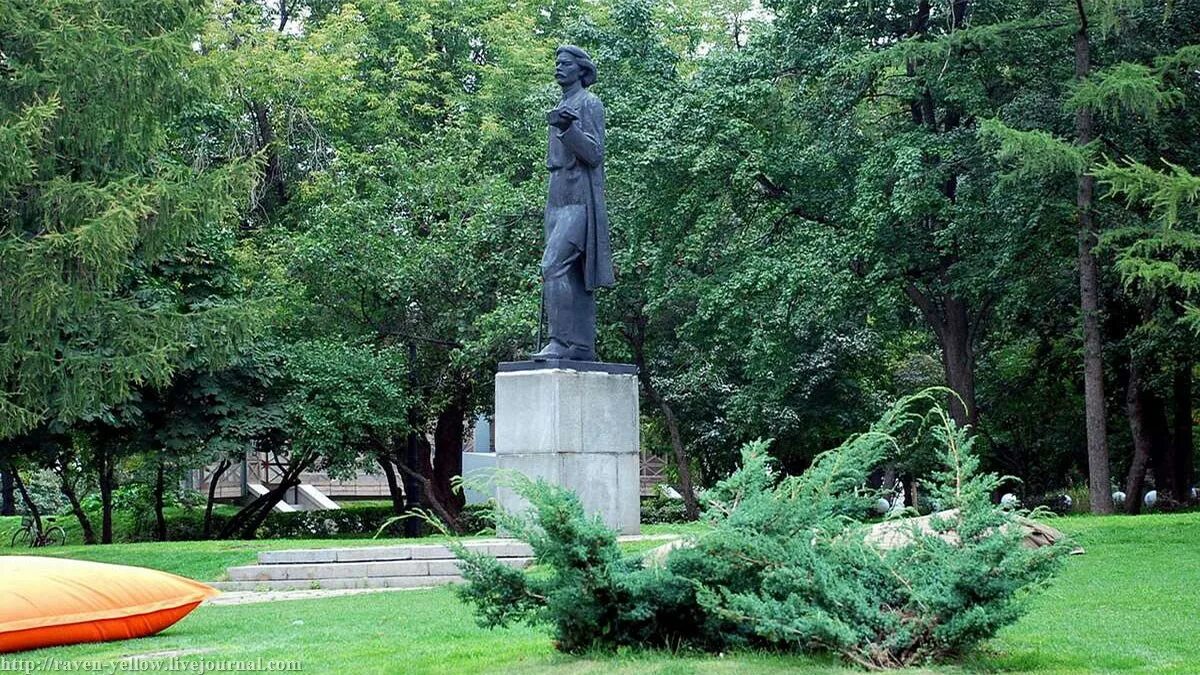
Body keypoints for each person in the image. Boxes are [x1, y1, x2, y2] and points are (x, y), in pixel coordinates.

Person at [532, 45, 613, 361]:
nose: (558, 68)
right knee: (568, 273)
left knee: (552, 265)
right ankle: (580, 346)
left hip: (580, 198)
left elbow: (594, 153)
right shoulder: (561, 104)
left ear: (581, 69)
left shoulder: (589, 103)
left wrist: (568, 128)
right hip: (556, 195)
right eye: (556, 63)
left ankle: (561, 341)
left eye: (564, 63)